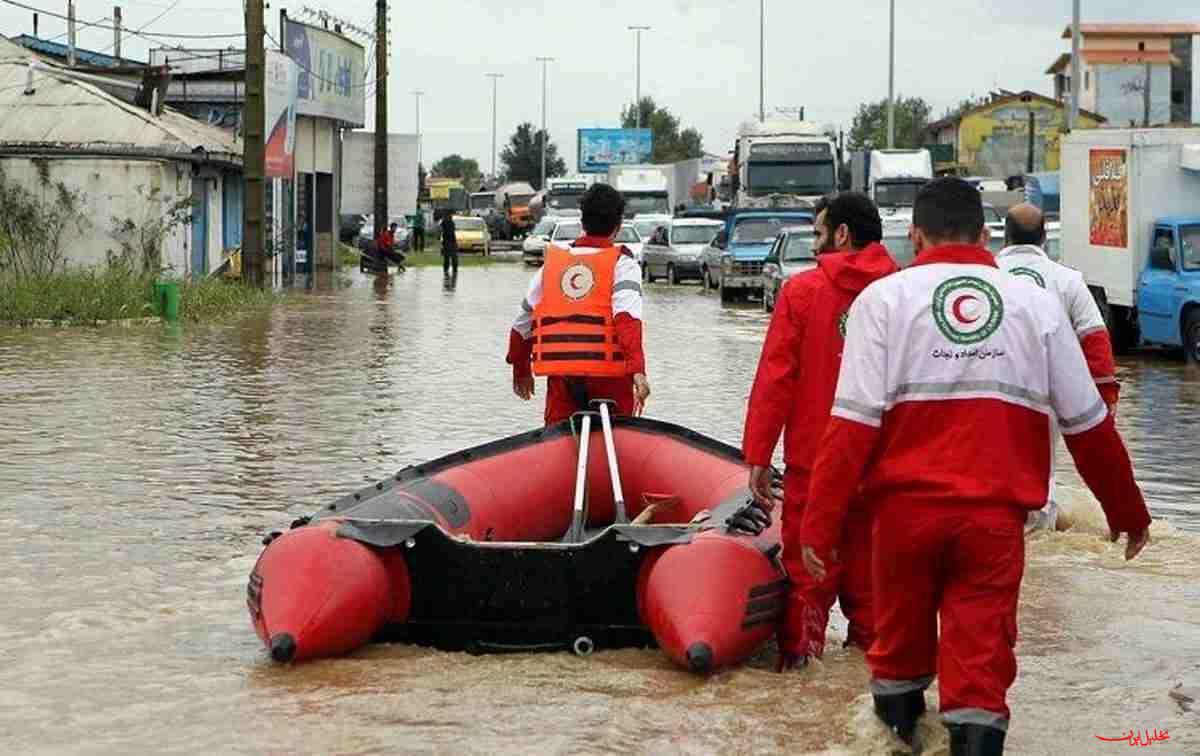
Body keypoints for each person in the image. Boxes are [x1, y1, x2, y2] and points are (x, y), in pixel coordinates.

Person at [798, 178, 1151, 755]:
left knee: (897, 655)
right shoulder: (1037, 303)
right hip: (994, 523)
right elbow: (1087, 423)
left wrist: (820, 525)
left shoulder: (882, 301)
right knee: (981, 669)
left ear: (914, 236)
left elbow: (851, 426)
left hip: (902, 521)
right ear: (984, 236)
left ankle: (896, 737)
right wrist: (1126, 509)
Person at [743, 192, 898, 671]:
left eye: (817, 233)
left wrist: (758, 456)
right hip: (887, 471)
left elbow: (776, 379)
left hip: (815, 466)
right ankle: (868, 698)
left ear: (842, 234)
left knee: (806, 590)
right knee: (876, 598)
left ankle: (802, 680)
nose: (814, 246)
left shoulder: (802, 293)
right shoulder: (906, 292)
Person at [998, 203, 1121, 532]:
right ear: (1044, 239)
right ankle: (1041, 536)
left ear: (1005, 237)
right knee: (1041, 469)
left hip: (988, 387)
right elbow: (1096, 340)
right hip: (1047, 393)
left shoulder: (987, 274)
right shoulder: (1068, 280)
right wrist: (1104, 398)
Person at [507, 183, 651, 426]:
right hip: (610, 378)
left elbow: (523, 322)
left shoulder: (552, 265)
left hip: (563, 377)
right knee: (617, 443)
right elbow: (627, 319)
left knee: (558, 441)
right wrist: (638, 370)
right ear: (618, 226)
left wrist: (521, 367)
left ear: (582, 222)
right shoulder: (624, 264)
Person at [440, 212, 459, 277]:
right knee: (453, 257)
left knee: (446, 257)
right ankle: (454, 270)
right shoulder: (451, 223)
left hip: (446, 242)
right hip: (452, 242)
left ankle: (446, 270)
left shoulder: (444, 222)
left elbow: (442, 230)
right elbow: (452, 231)